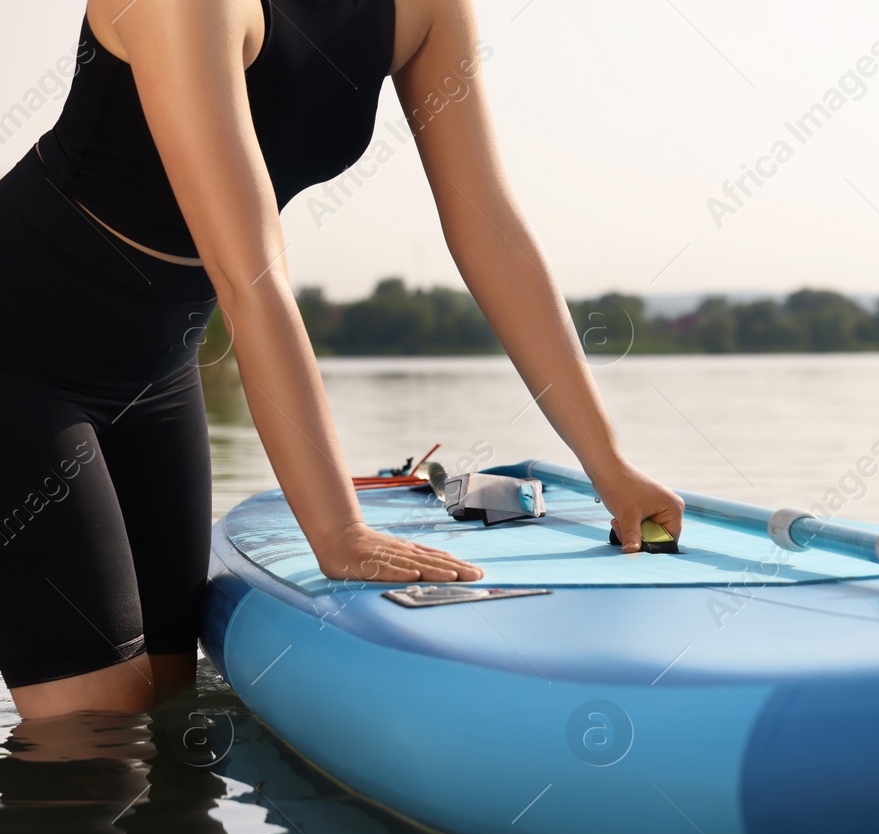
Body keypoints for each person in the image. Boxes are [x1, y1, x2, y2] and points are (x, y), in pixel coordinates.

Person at [0, 0, 685, 718]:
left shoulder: (427, 12)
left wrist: (609, 465)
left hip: (160, 365)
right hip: (21, 350)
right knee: (98, 724)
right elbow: (253, 281)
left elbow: (493, 232)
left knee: (172, 698)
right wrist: (338, 531)